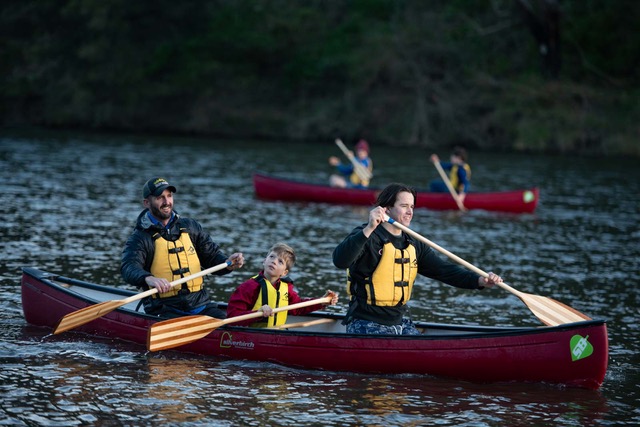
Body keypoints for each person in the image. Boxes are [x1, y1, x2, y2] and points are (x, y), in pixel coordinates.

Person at [332, 183, 503, 335]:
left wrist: (480, 280)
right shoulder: (366, 235)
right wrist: (369, 228)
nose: (410, 212)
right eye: (404, 206)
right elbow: (340, 260)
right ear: (387, 209)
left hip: (399, 324)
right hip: (365, 323)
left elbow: (444, 271)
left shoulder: (413, 243)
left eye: (412, 206)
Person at [121, 176, 245, 319]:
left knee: (229, 326)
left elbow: (211, 257)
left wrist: (228, 263)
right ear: (147, 203)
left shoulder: (191, 227)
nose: (167, 202)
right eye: (160, 198)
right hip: (164, 308)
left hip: (200, 305)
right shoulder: (140, 237)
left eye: (169, 196)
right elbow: (128, 268)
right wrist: (148, 278)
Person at [227, 242, 339, 327]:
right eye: (271, 257)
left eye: (280, 262)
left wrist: (322, 301)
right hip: (250, 336)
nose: (274, 261)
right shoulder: (249, 287)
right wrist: (258, 313)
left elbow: (298, 307)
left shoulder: (286, 288)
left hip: (275, 335)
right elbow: (232, 316)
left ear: (284, 272)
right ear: (264, 261)